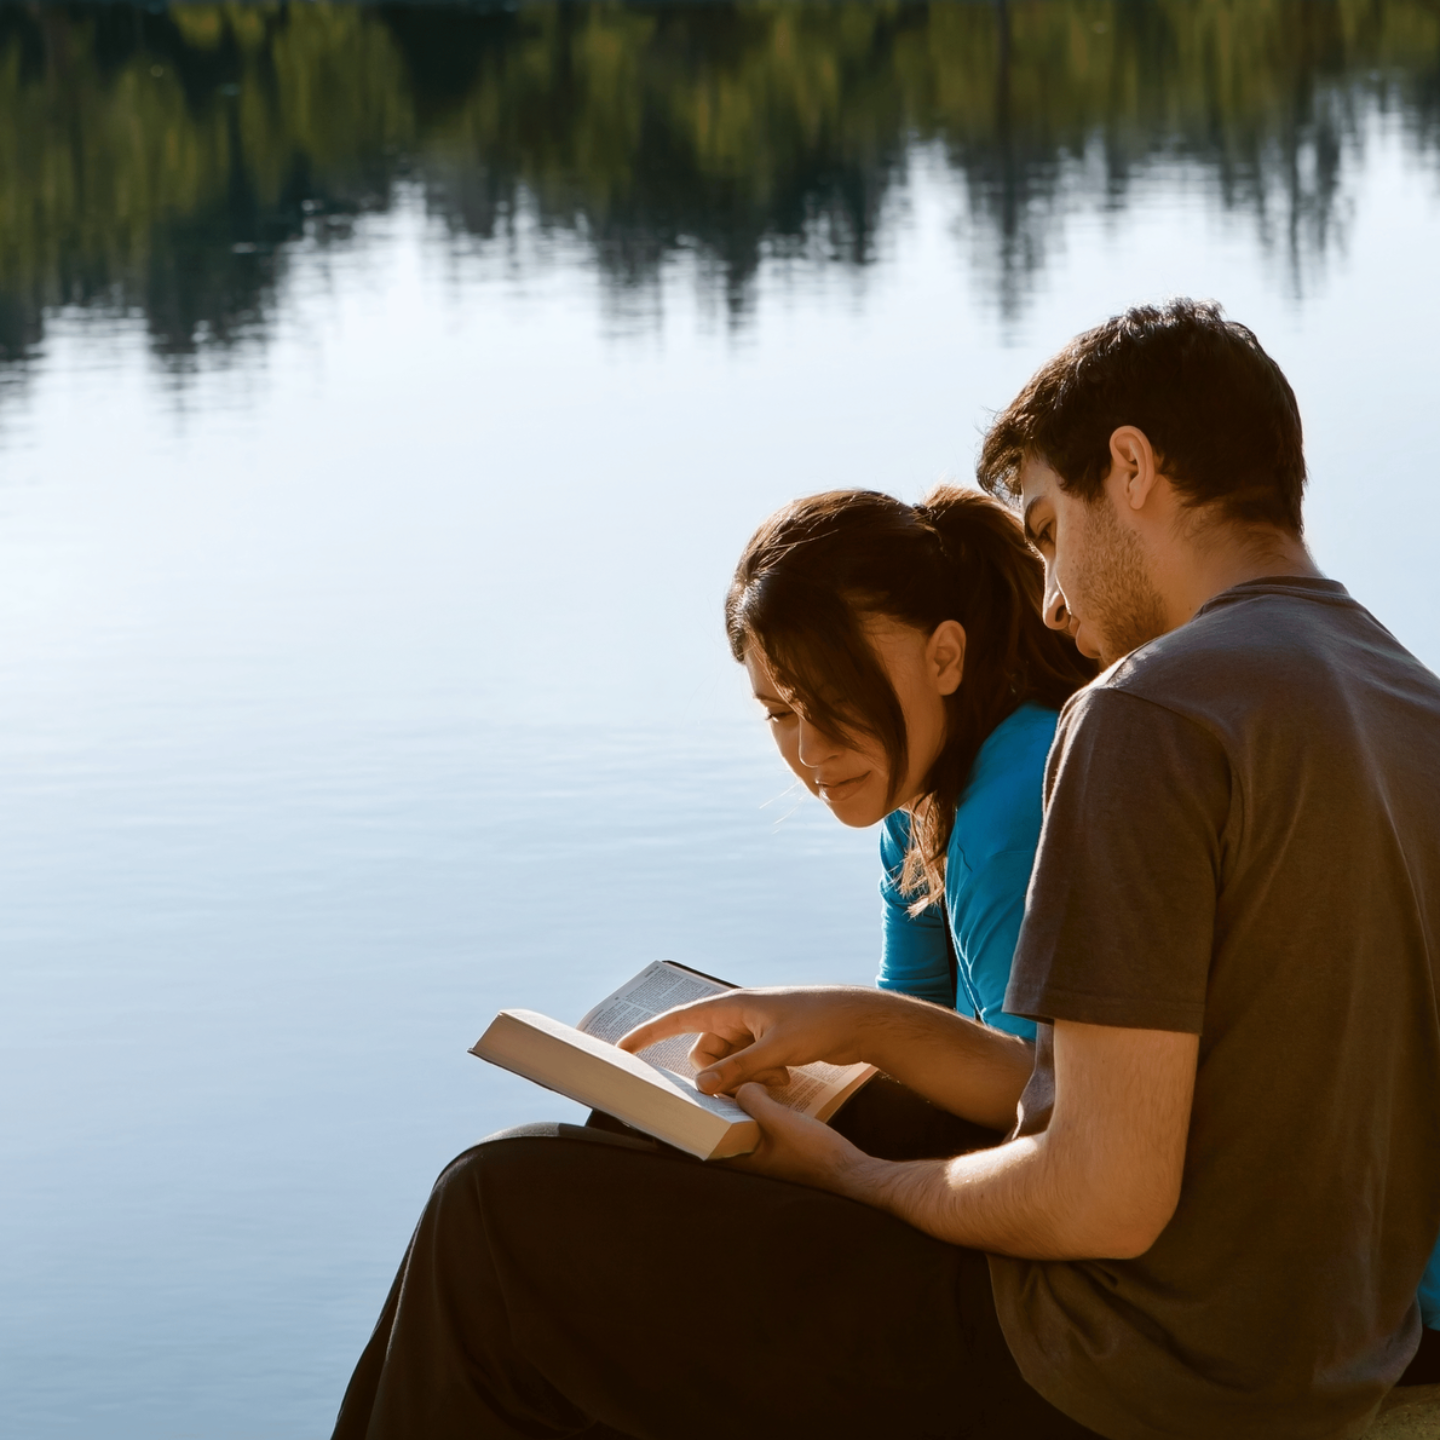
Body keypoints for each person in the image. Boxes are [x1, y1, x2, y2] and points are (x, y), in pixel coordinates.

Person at [330, 301, 1440, 1440]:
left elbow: (1104, 1192)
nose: (1051, 602)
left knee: (498, 1216)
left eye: (1049, 530)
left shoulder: (1146, 710)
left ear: (1132, 467)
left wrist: (855, 1181)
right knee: (620, 1167)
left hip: (1119, 1373)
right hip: (1316, 1357)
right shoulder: (1412, 704)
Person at [727, 485, 1094, 1032]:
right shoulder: (916, 804)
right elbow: (913, 1011)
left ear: (944, 658)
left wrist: (845, 1031)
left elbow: (1042, 1091)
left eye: (837, 700)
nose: (809, 750)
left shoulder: (1010, 811)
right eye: (780, 714)